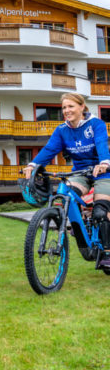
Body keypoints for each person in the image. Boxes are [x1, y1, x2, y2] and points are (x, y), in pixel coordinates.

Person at [23, 92, 110, 264]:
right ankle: (83, 221)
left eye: (71, 106)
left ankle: (107, 253)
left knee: (101, 211)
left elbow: (101, 143)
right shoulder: (62, 130)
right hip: (80, 173)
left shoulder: (95, 124)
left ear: (81, 107)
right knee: (65, 194)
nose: (66, 110)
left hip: (103, 172)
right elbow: (49, 149)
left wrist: (104, 163)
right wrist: (33, 165)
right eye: (64, 107)